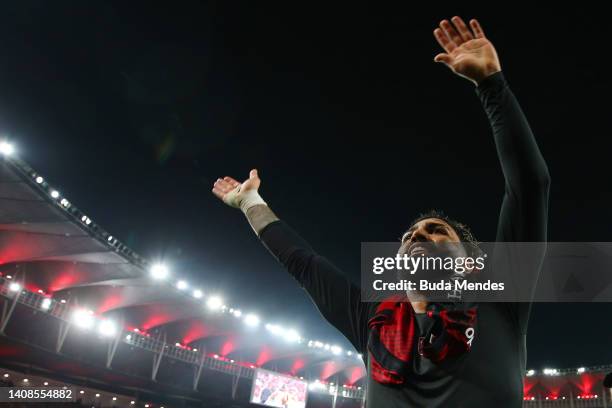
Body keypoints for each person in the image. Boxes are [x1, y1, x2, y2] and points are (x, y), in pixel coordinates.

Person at [212, 16, 550, 407]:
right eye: (410, 236)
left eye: (437, 231)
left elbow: (530, 186)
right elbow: (303, 262)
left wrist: (493, 85)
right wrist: (250, 202)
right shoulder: (370, 319)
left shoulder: (500, 304)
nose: (418, 236)